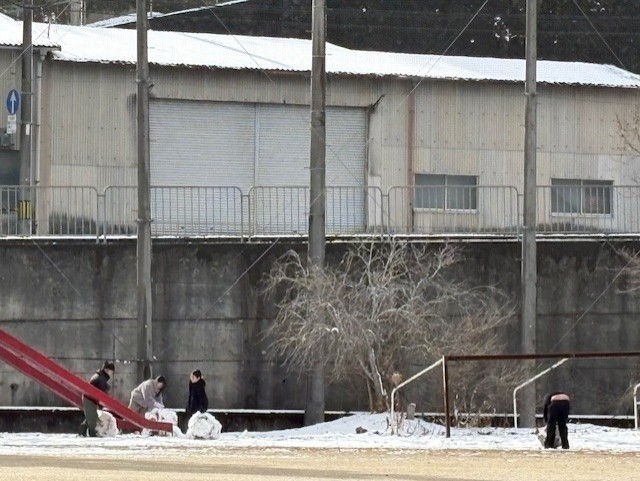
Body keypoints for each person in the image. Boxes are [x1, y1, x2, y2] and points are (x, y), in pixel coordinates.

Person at [79, 361, 115, 437]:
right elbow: (102, 391)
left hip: (92, 399)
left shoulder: (100, 376)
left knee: (91, 416)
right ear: (107, 370)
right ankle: (91, 433)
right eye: (111, 371)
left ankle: (82, 432)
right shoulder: (101, 377)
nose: (112, 374)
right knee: (92, 418)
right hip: (89, 399)